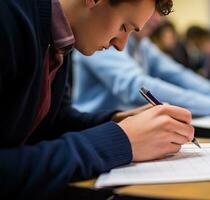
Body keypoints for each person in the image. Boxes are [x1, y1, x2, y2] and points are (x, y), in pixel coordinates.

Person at [0, 0, 196, 198]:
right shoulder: (8, 17)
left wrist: (119, 121)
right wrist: (119, 141)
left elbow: (53, 123)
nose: (121, 46)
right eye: (123, 27)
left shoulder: (61, 37)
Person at [72, 12, 210, 117]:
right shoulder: (103, 38)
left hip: (128, 123)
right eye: (151, 9)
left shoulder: (142, 44)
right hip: (92, 126)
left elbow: (178, 74)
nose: (157, 19)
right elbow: (135, 85)